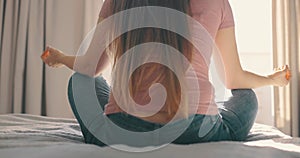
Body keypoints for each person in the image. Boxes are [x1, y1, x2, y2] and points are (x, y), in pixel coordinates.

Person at [41, 0, 290, 147]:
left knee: (80, 82)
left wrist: (62, 58)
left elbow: (89, 68)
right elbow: (233, 79)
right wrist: (271, 80)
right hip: (196, 129)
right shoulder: (216, 2)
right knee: (246, 97)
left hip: (123, 129)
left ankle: (106, 129)